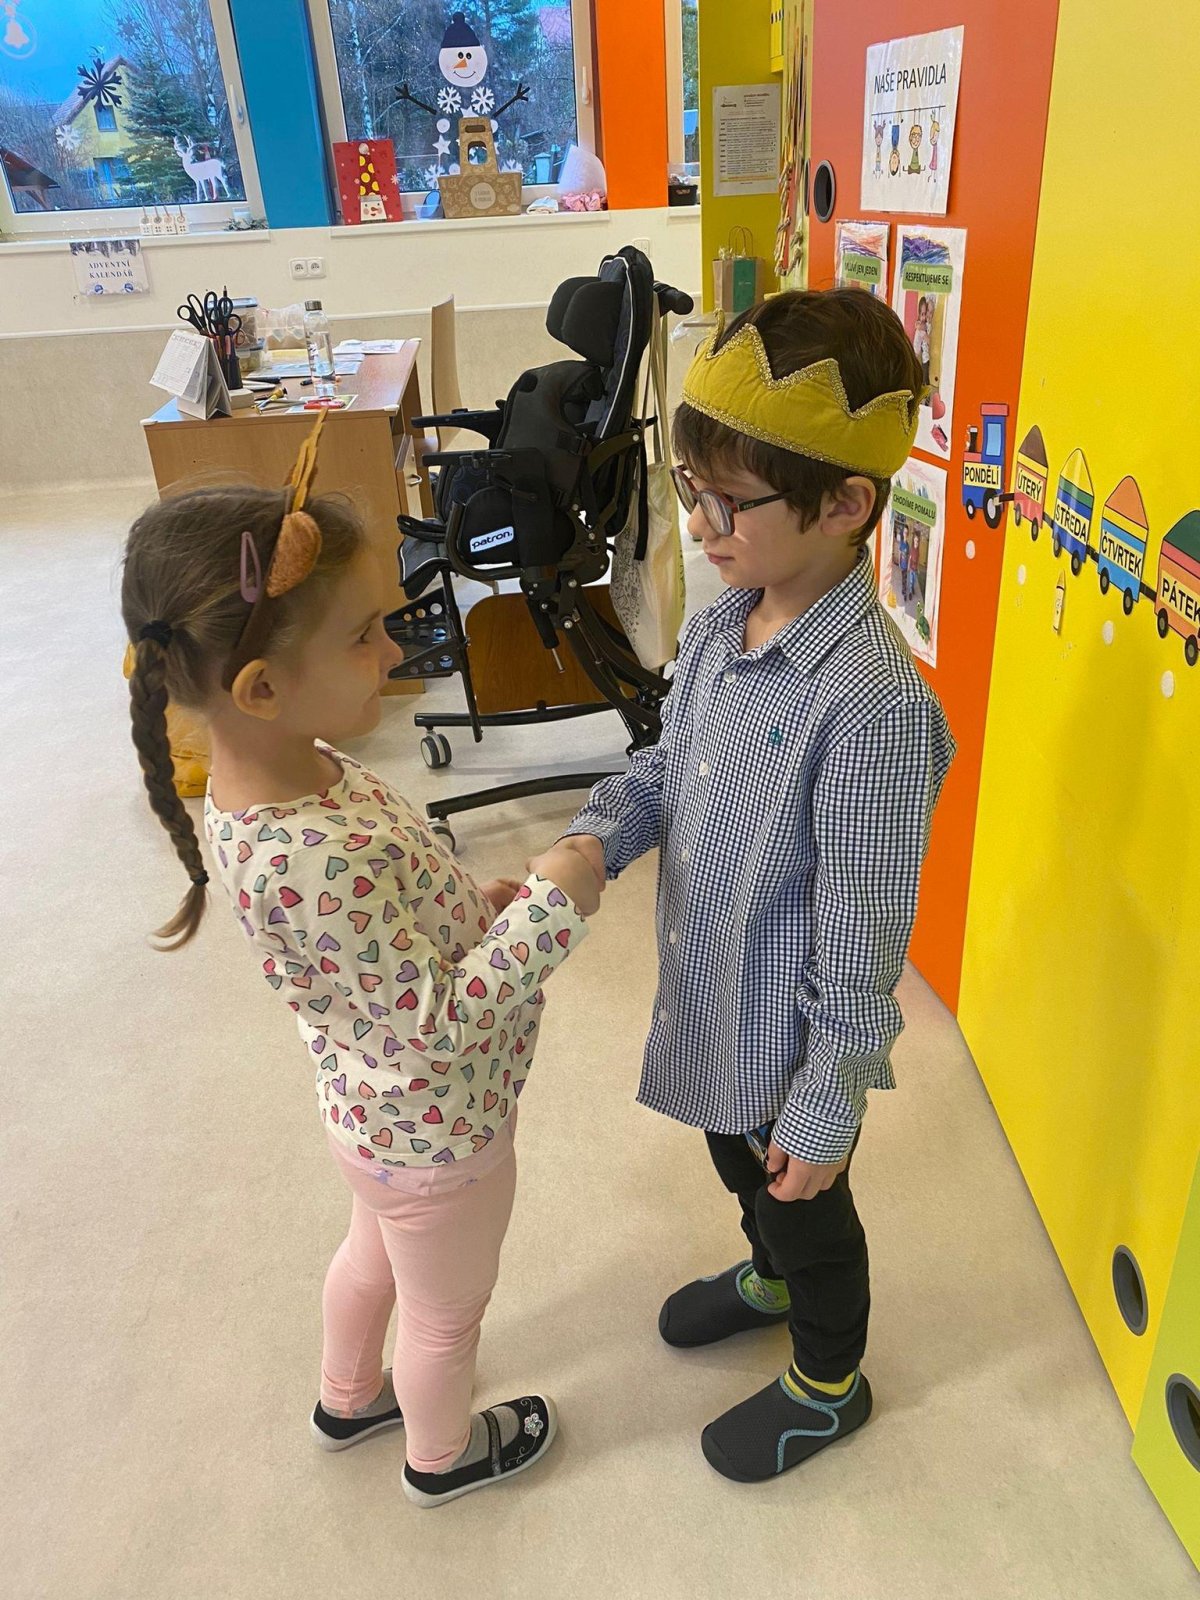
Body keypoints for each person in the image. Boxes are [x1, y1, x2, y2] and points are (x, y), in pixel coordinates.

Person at [120, 418, 602, 1508]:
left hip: (370, 1123)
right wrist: (551, 913)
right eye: (364, 635)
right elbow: (432, 1027)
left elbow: (382, 930)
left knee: (373, 1258)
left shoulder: (288, 776)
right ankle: (443, 1456)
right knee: (443, 1314)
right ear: (259, 688)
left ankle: (347, 1398)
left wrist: (470, 908)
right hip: (439, 1136)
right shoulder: (310, 852)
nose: (394, 653)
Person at [556, 289, 955, 1484]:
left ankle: (831, 1377)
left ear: (846, 505)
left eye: (729, 502)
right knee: (739, 1167)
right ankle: (770, 1277)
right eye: (692, 488)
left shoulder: (875, 708)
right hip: (714, 1004)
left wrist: (827, 1106)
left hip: (793, 1039)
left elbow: (864, 936)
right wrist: (596, 840)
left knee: (803, 1202)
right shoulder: (727, 615)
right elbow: (665, 767)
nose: (701, 523)